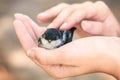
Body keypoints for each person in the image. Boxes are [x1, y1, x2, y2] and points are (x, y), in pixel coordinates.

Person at [13, 1, 120, 80]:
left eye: (53, 40)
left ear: (58, 39)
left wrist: (112, 53)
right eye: (47, 40)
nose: (49, 42)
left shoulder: (62, 40)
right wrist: (116, 35)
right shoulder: (42, 39)